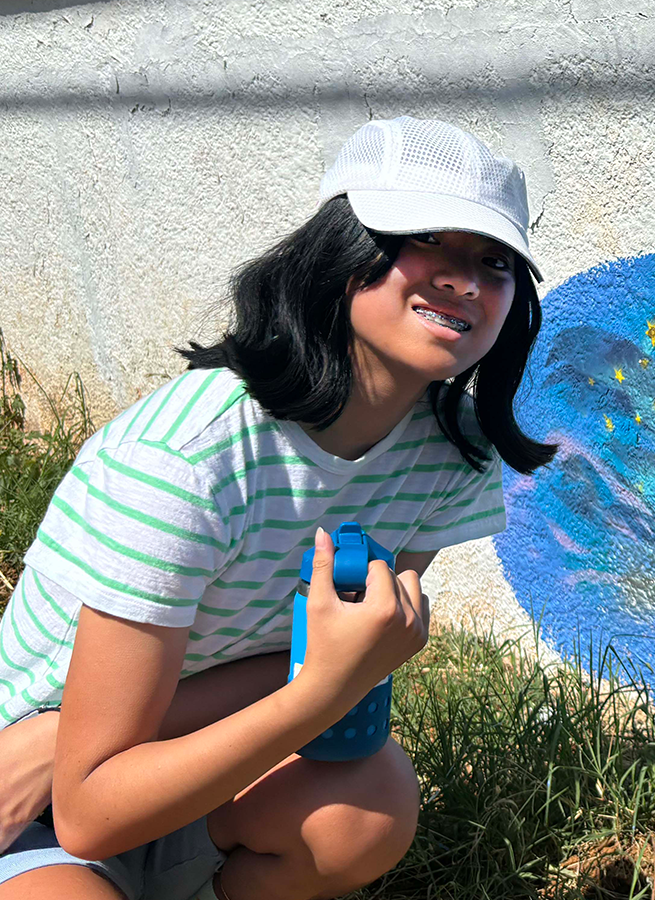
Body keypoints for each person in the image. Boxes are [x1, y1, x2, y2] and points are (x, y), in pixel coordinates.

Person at [0, 115, 555, 900]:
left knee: (370, 802)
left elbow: (333, 659)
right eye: (424, 237)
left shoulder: (448, 453)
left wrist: (322, 686)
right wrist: (316, 691)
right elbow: (87, 813)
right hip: (35, 799)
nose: (464, 279)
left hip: (187, 761)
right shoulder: (189, 458)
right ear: (341, 251)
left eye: (494, 260)